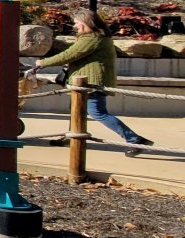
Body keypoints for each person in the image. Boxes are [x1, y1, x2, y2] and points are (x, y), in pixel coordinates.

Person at [35, 9, 154, 156]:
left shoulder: (92, 38)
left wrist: (42, 62)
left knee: (98, 113)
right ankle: (73, 137)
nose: (75, 26)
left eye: (77, 23)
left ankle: (134, 139)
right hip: (84, 83)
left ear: (86, 22)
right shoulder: (97, 37)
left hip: (91, 83)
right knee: (76, 110)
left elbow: (70, 54)